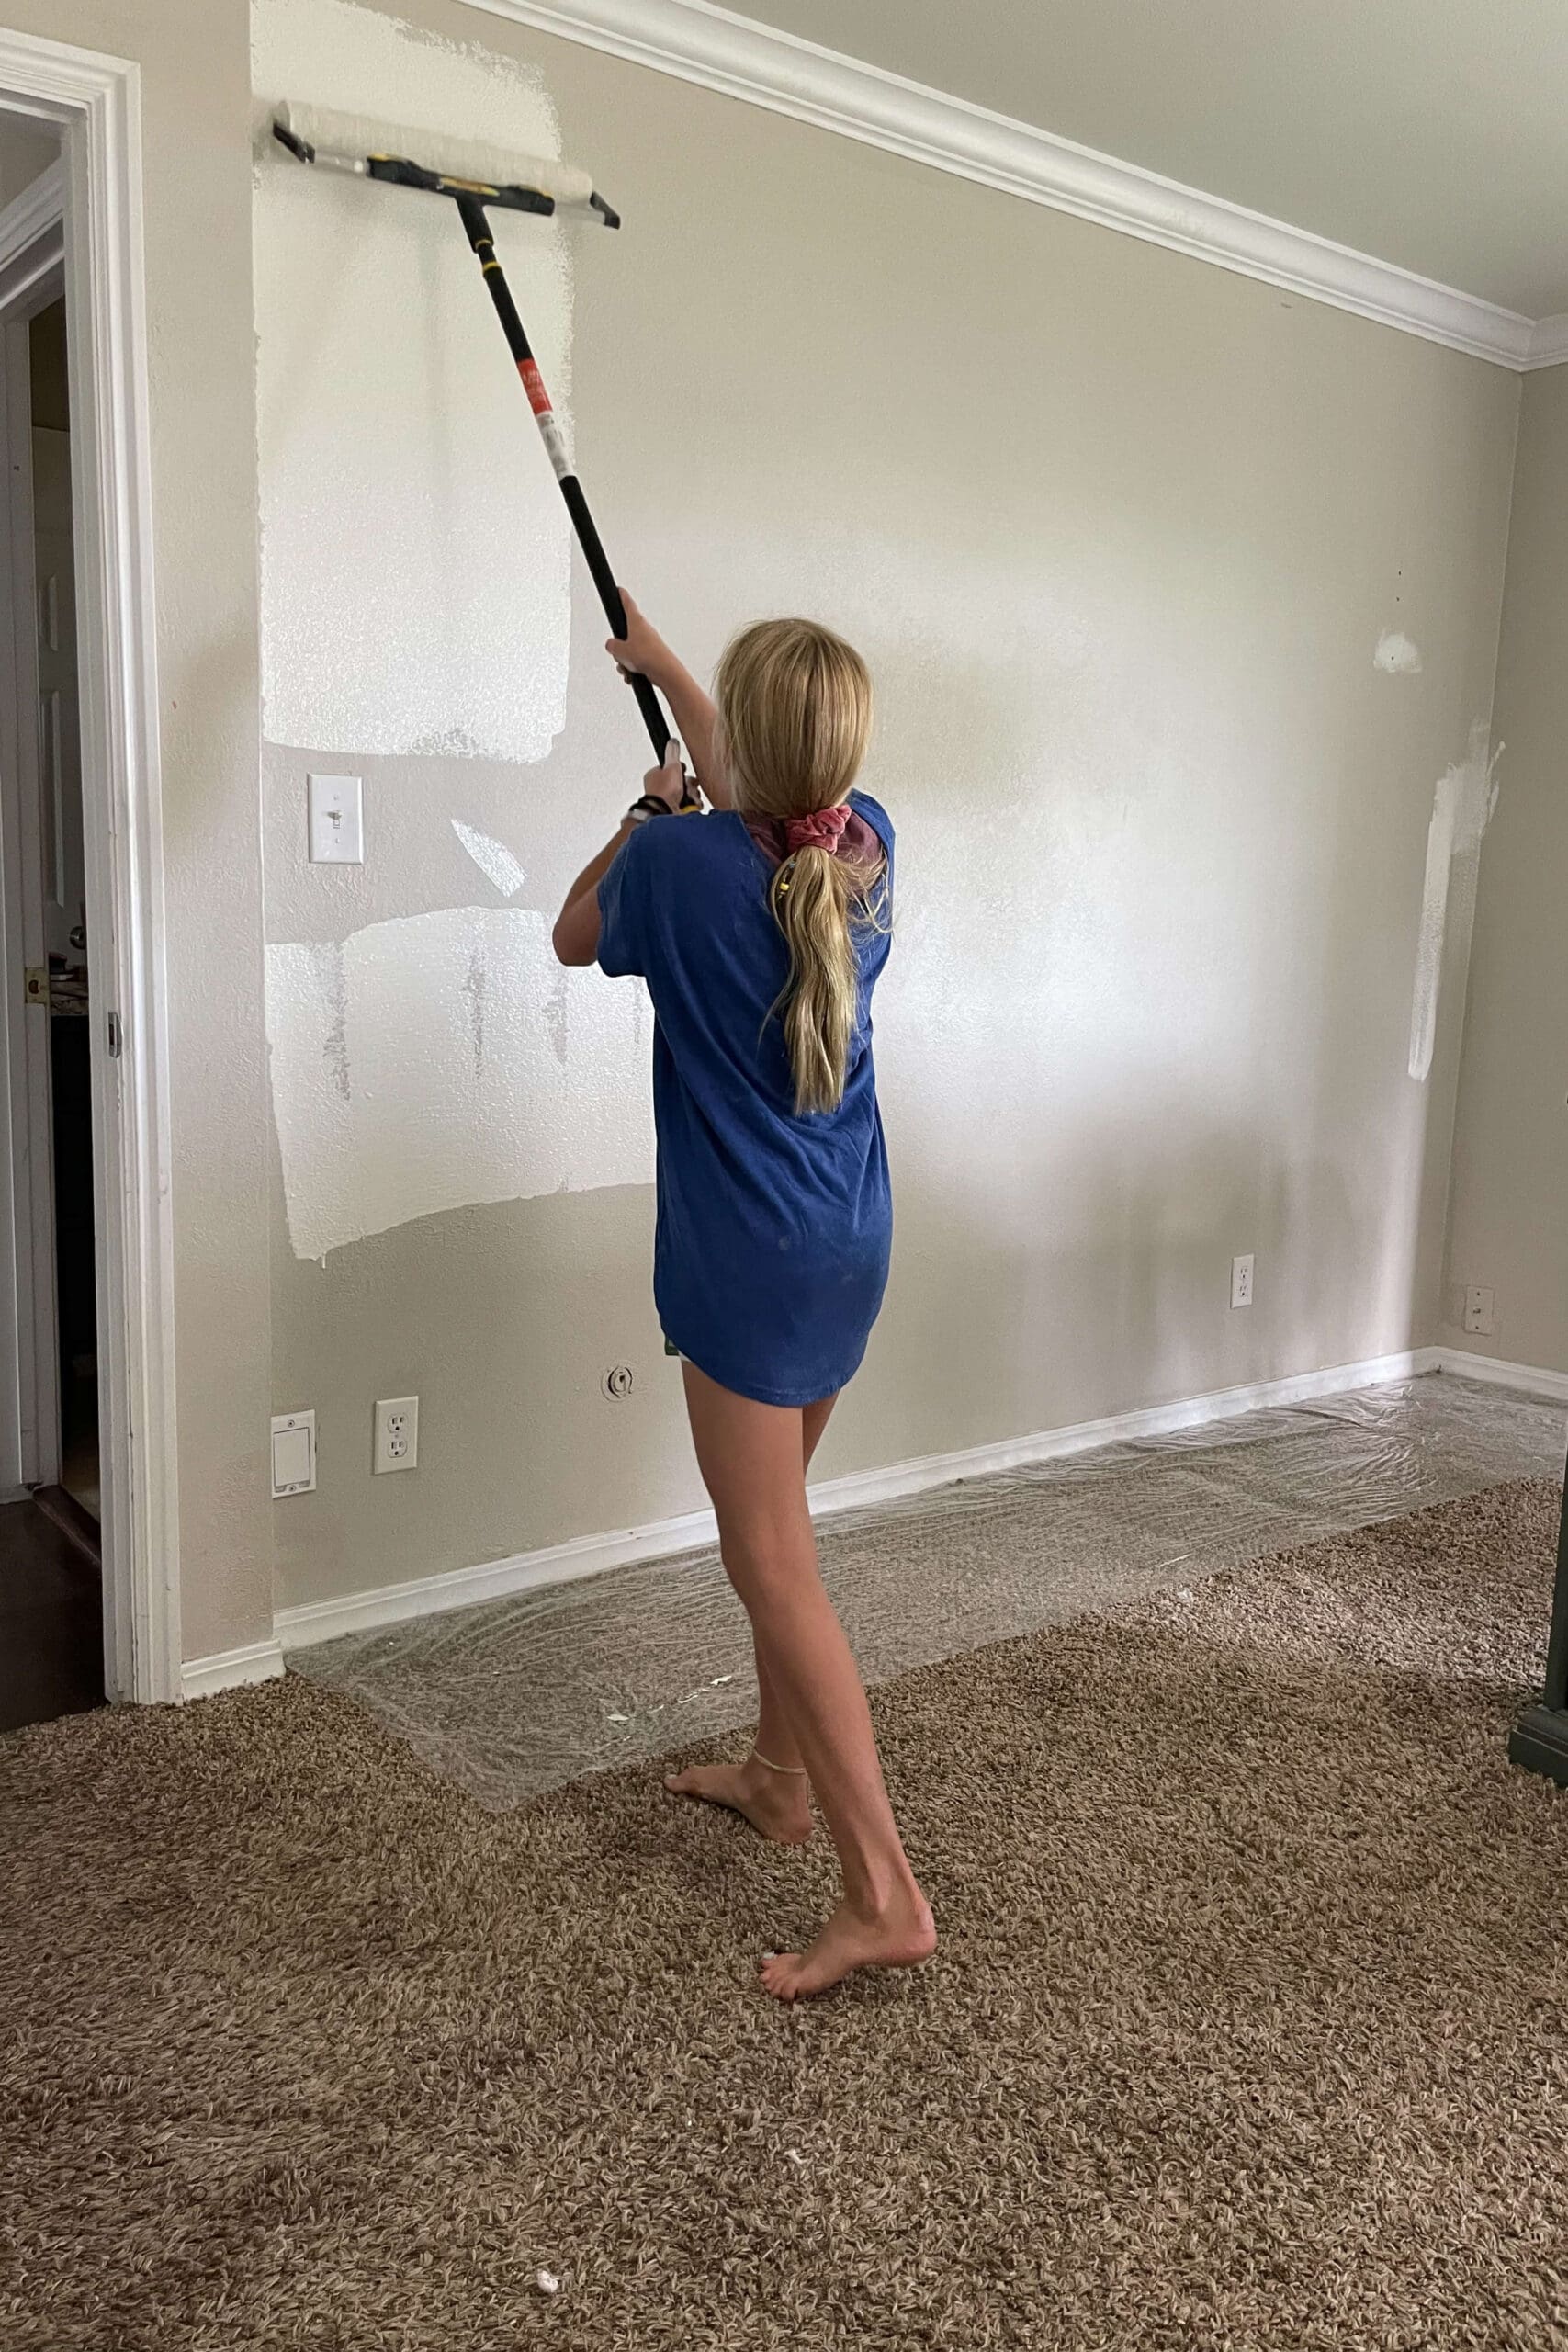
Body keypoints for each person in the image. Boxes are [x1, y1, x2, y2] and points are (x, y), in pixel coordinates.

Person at [551, 596, 934, 2000]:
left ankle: (884, 1890)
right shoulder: (866, 845)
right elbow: (763, 798)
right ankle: (779, 1782)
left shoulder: (683, 867)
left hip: (743, 1263)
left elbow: (571, 934)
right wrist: (662, 666)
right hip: (849, 1242)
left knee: (772, 1566)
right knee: (782, 1544)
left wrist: (642, 811)